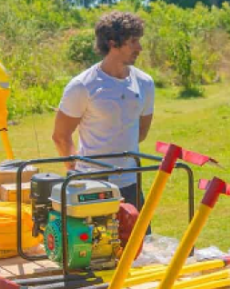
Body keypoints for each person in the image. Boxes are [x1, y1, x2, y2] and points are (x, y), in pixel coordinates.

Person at [52, 11, 155, 209]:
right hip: (92, 186)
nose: (139, 48)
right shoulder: (82, 85)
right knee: (96, 240)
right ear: (112, 43)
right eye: (133, 41)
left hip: (131, 183)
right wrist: (79, 172)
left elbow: (141, 133)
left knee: (139, 239)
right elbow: (61, 136)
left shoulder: (145, 83)